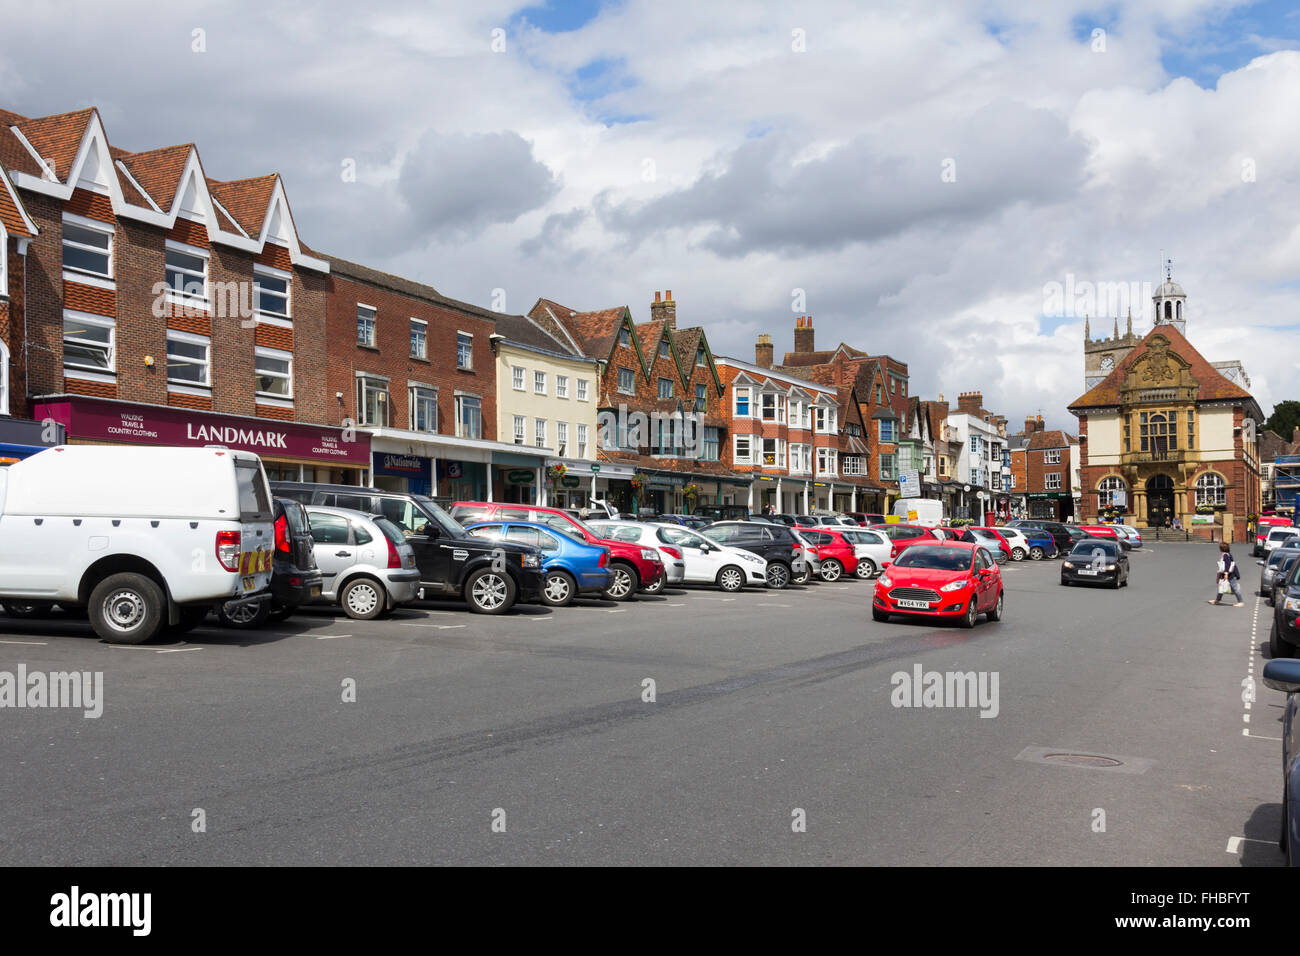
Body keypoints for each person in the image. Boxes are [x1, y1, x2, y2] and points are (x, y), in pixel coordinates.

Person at [1209, 541, 1243, 607]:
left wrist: (1226, 574)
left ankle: (1240, 602)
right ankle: (1217, 600)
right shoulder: (1227, 554)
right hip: (1227, 574)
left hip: (1231, 574)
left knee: (1235, 588)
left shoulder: (1226, 555)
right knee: (1221, 587)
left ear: (1221, 548)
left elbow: (1227, 565)